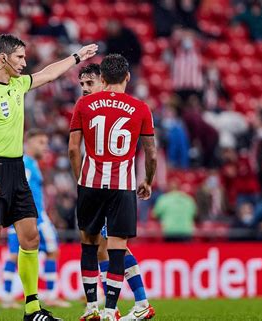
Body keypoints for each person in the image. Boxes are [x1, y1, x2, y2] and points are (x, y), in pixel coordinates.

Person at [0, 33, 97, 321]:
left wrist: (77, 57)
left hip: (16, 169)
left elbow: (48, 74)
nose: (24, 63)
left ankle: (33, 309)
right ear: (3, 58)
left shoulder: (17, 85)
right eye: (20, 57)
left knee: (31, 237)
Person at [69, 54, 157, 321]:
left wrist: (81, 181)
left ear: (103, 80)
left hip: (94, 184)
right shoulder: (140, 107)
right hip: (121, 186)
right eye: (82, 83)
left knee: (98, 246)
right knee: (110, 248)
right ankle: (112, 309)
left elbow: (74, 148)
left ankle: (109, 306)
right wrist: (149, 180)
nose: (85, 87)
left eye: (90, 82)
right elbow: (151, 153)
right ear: (128, 77)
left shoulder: (85, 105)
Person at [2, 129, 70, 309]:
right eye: (41, 142)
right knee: (53, 251)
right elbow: (17, 189)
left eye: (46, 143)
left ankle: (7, 297)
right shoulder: (27, 164)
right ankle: (51, 294)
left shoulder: (29, 163)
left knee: (14, 256)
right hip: (34, 217)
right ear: (28, 142)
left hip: (16, 216)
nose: (45, 147)